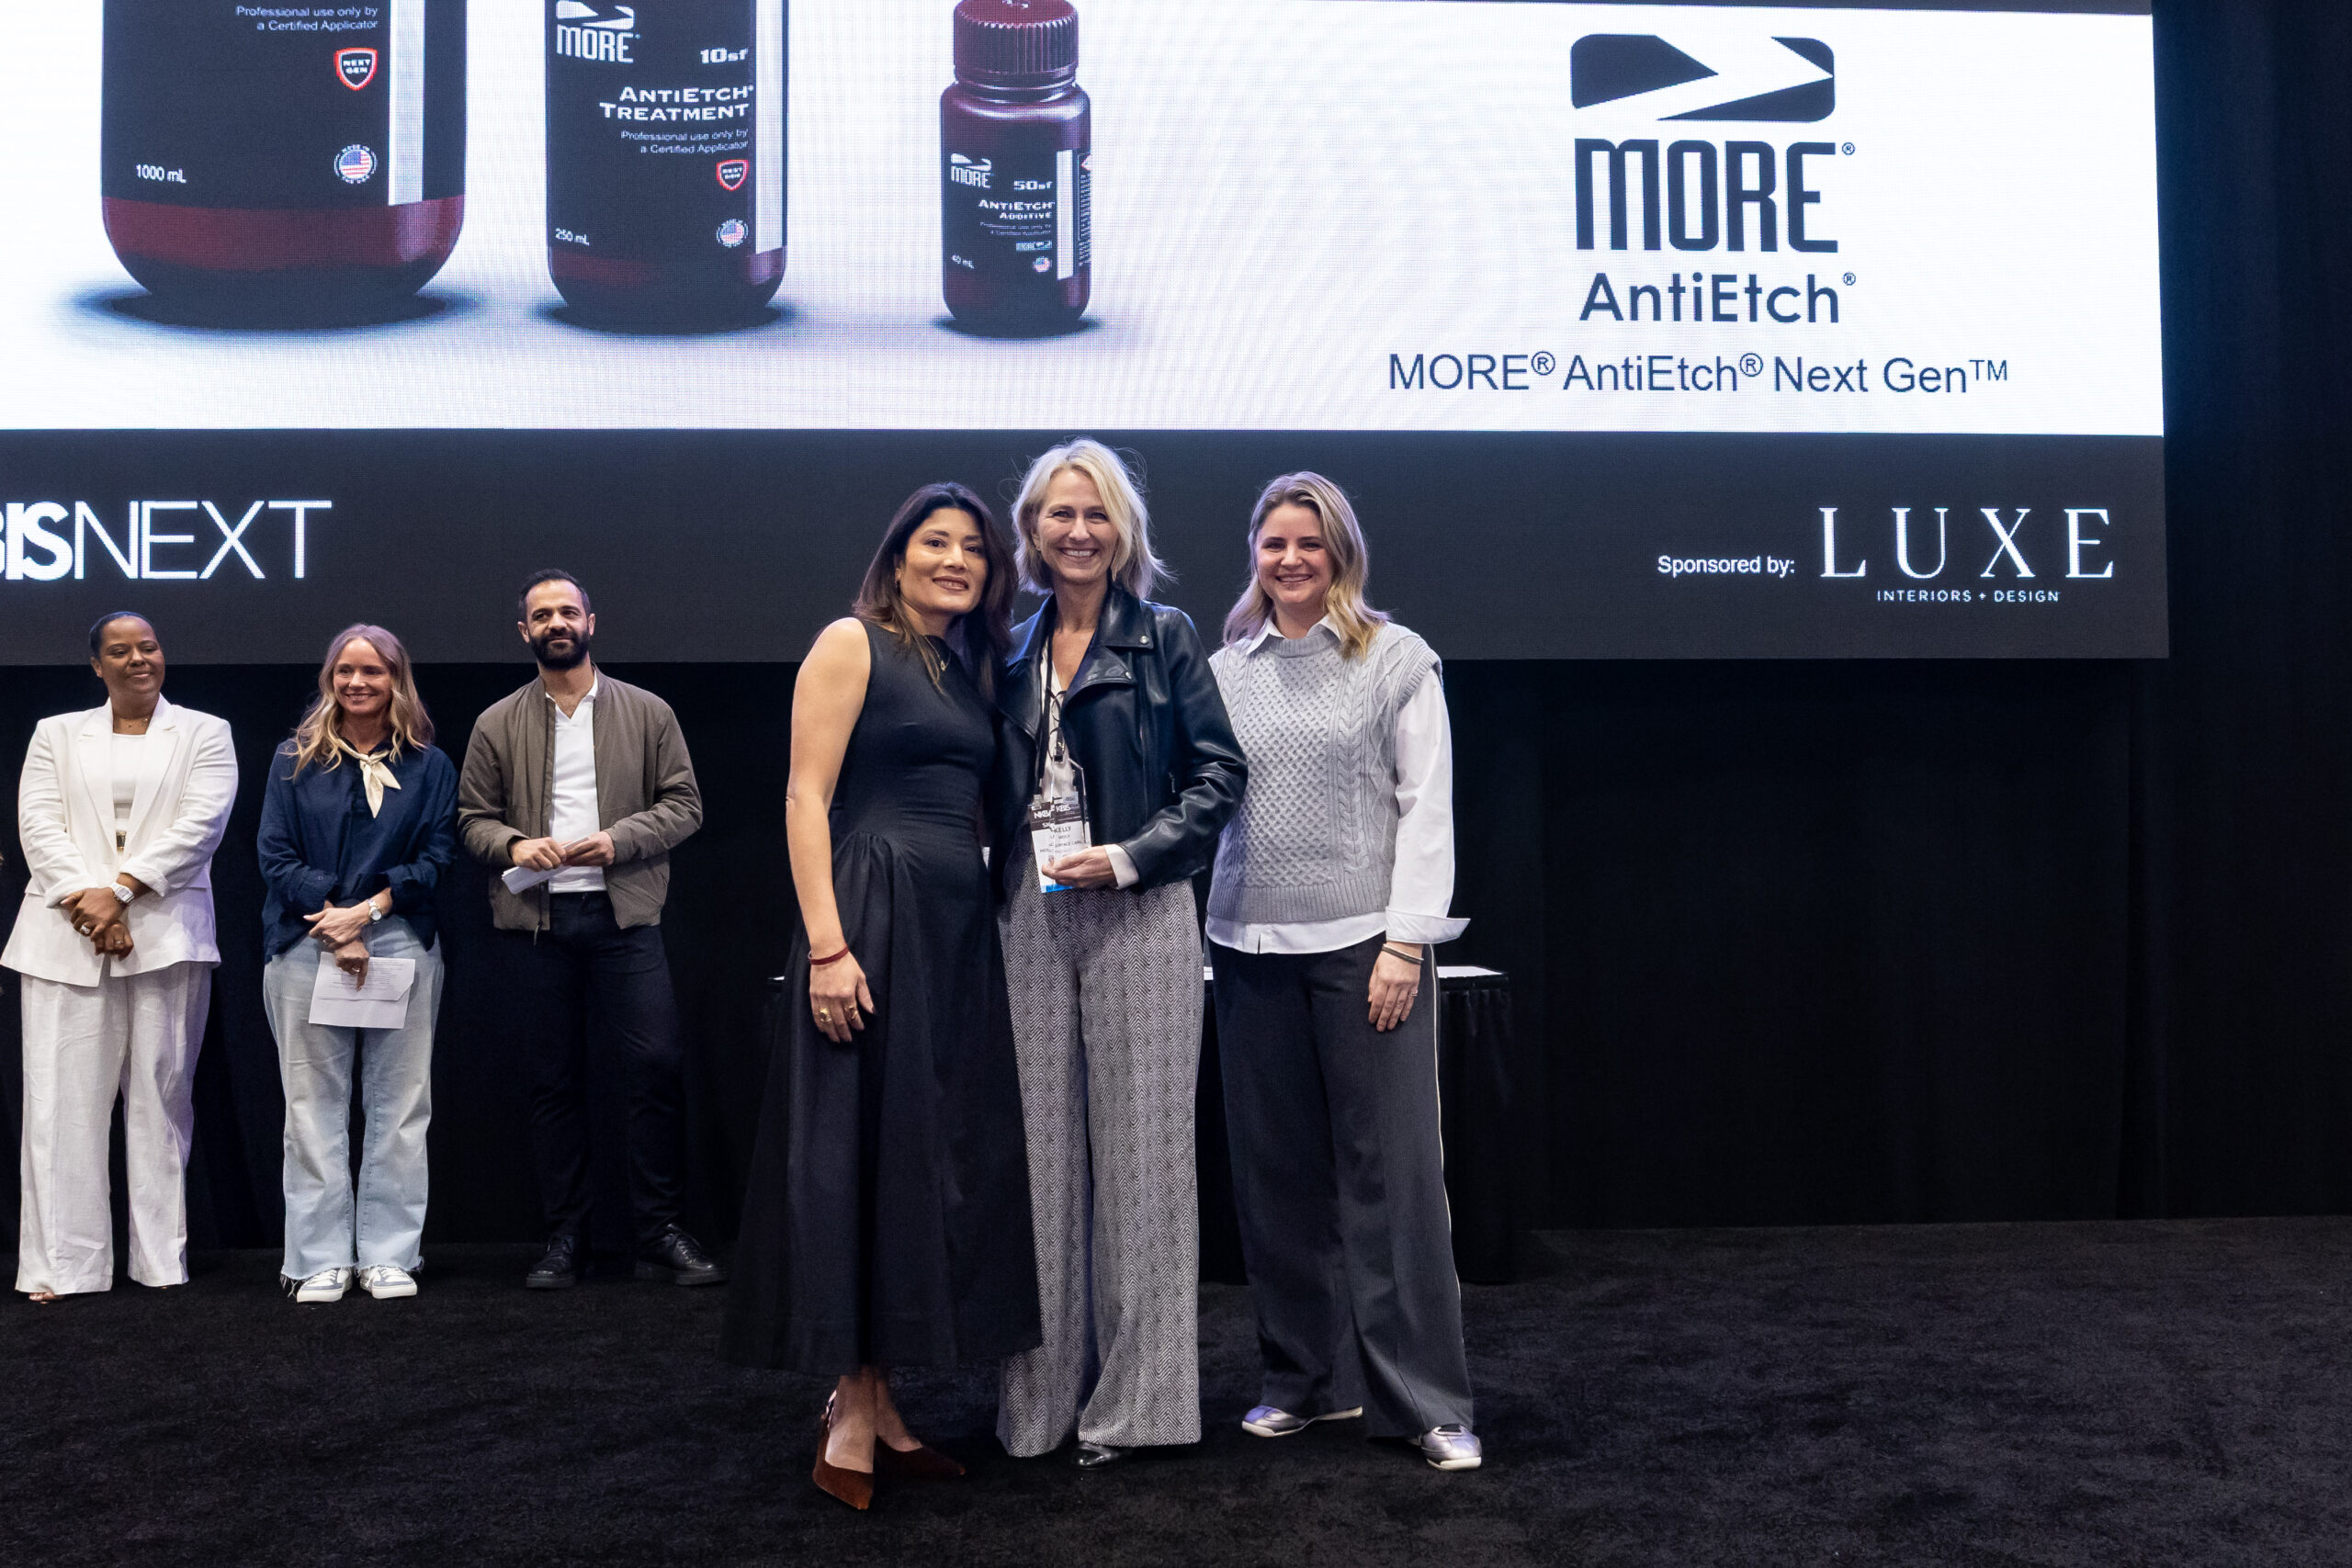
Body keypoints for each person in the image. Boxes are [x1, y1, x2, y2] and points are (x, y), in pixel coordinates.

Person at [721, 484, 1042, 1511]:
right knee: (854, 1155)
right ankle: (851, 1410)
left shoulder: (968, 666)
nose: (956, 560)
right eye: (934, 543)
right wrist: (826, 946)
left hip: (953, 931)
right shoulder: (851, 641)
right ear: (897, 558)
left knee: (914, 1155)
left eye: (974, 551)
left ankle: (882, 1402)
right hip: (871, 912)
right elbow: (803, 795)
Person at [1206, 472, 1482, 1471]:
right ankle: (1303, 1384)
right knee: (1275, 1185)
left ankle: (1426, 1405)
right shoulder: (1224, 669)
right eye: (1273, 543)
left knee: (1391, 1186)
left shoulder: (1393, 658)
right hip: (1245, 953)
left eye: (1308, 545)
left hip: (1369, 952)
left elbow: (1428, 806)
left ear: (1340, 555)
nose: (1289, 560)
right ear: (1255, 552)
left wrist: (1406, 942)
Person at [991, 439, 1248, 1467]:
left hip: (1140, 911)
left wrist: (1136, 857)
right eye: (1059, 514)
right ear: (1032, 531)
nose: (1078, 531)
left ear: (1122, 531)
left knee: (1144, 1169)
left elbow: (1219, 776)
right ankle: (1038, 1408)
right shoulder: (1003, 649)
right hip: (1024, 912)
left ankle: (1139, 1411)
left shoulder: (1167, 638)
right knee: (1039, 1170)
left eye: (1096, 514)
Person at [456, 571, 721, 1290]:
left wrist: (620, 840)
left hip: (623, 916)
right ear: (525, 632)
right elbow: (471, 819)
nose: (555, 622)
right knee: (552, 1083)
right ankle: (565, 1236)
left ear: (591, 621)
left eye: (567, 611)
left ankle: (659, 1231)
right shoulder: (495, 722)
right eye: (541, 614)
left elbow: (686, 805)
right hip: (534, 925)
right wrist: (513, 845)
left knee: (655, 1069)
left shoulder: (648, 711)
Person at [6, 614, 237, 1303]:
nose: (139, 659)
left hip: (165, 932)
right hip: (64, 934)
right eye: (121, 651)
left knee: (160, 1100)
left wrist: (125, 890)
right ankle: (63, 1267)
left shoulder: (205, 731)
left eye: (150, 647)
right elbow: (38, 821)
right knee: (58, 1103)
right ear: (96, 665)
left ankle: (158, 1259)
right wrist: (88, 898)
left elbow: (202, 822)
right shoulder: (56, 732)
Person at [256, 625, 458, 1304]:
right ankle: (317, 1259)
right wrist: (336, 921)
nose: (357, 682)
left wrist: (366, 915)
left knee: (400, 1107)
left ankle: (389, 1255)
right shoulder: (292, 758)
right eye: (345, 670)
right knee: (312, 1108)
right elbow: (275, 856)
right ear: (329, 678)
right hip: (306, 942)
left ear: (396, 680)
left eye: (373, 671)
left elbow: (436, 859)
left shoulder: (429, 765)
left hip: (398, 940)